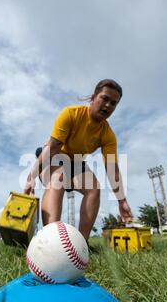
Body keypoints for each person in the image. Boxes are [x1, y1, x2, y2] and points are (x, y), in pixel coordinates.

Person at [24, 79, 133, 240]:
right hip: (53, 156)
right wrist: (30, 177)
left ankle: (82, 244)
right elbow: (53, 147)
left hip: (76, 163)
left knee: (94, 188)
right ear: (93, 97)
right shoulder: (71, 114)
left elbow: (112, 170)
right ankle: (51, 240)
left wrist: (122, 201)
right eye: (105, 98)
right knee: (58, 177)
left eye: (113, 103)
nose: (108, 105)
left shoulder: (108, 135)